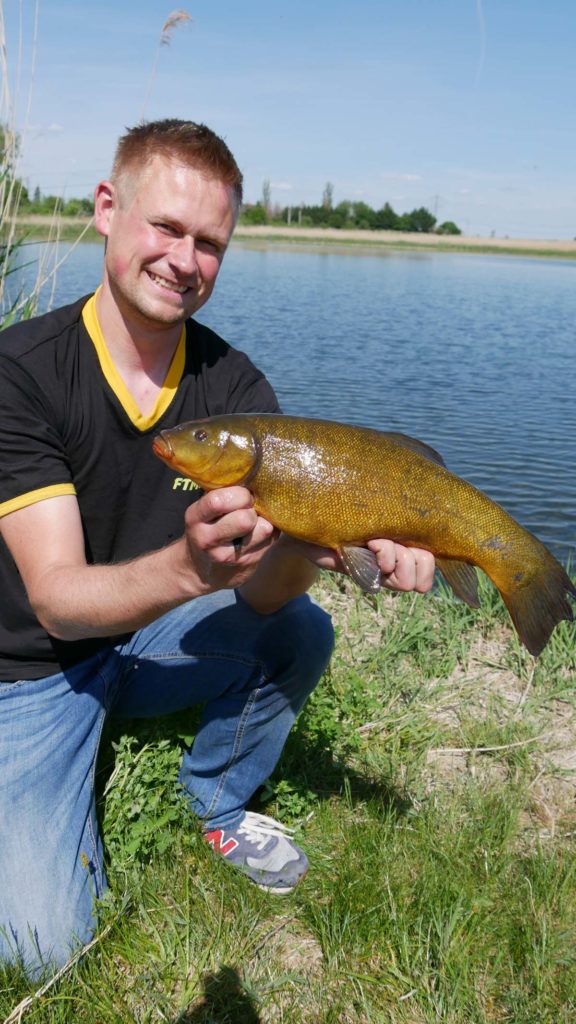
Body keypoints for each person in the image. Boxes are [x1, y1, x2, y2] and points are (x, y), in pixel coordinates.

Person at [0, 119, 435, 975]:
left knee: (301, 631)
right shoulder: (22, 372)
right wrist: (189, 569)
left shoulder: (236, 387)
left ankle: (218, 799)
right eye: (165, 227)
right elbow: (53, 595)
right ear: (106, 208)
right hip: (33, 668)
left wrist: (325, 547)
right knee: (42, 947)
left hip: (152, 634)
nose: (183, 260)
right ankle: (59, 777)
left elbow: (266, 599)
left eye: (210, 243)